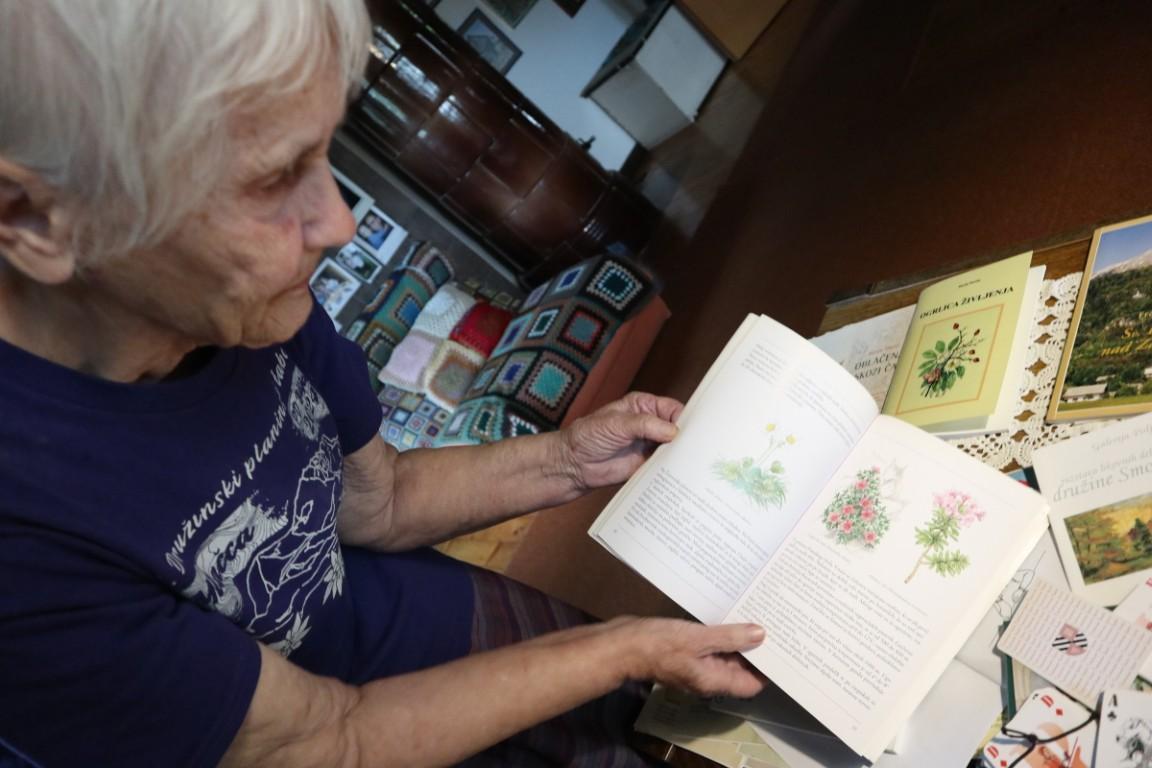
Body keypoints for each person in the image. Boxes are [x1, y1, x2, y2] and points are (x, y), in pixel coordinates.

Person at [0, 2, 766, 766]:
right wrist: (620, 650)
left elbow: (383, 498)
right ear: (34, 219)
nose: (337, 223)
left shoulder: (257, 308)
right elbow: (326, 743)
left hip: (440, 617)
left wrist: (567, 459)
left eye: (321, 154)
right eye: (270, 181)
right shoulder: (23, 538)